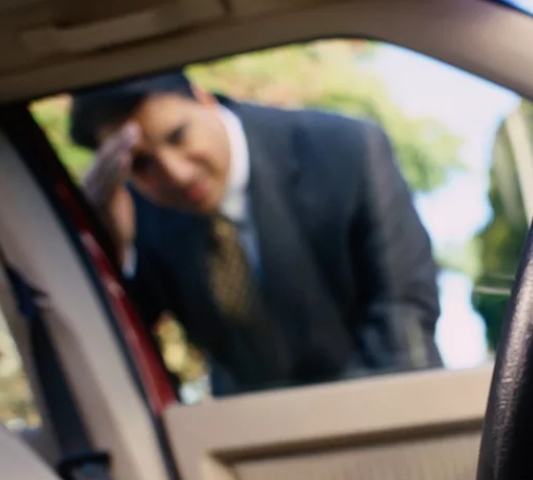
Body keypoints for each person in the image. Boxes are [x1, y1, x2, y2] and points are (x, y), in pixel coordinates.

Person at [70, 72, 442, 395]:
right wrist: (110, 245)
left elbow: (403, 311)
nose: (176, 174)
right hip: (247, 437)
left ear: (204, 99)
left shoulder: (346, 148)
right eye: (141, 163)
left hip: (387, 410)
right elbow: (121, 348)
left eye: (178, 136)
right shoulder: (139, 212)